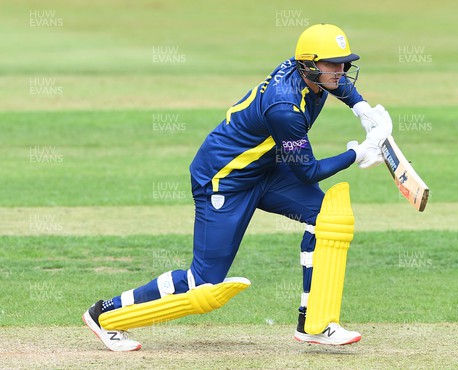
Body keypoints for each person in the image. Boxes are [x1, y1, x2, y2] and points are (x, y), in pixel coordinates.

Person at [83, 23, 392, 351]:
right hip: (223, 179)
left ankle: (314, 323)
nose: (340, 71)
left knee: (326, 218)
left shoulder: (307, 72)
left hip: (265, 169)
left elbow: (338, 84)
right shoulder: (285, 108)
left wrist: (362, 108)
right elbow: (308, 172)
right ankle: (104, 315)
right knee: (202, 282)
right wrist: (358, 152)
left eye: (344, 63)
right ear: (308, 65)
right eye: (331, 64)